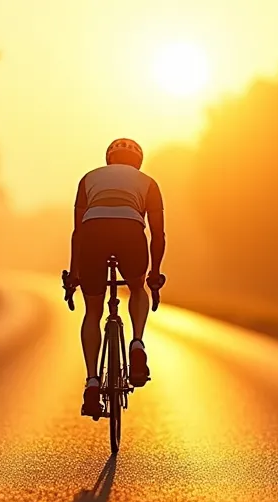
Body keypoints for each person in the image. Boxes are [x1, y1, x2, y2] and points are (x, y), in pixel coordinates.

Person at [67, 138, 167, 418]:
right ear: (138, 162)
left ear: (109, 159)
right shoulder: (148, 182)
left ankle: (91, 383)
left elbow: (78, 232)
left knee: (93, 310)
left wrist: (74, 274)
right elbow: (158, 234)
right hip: (130, 233)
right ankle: (136, 342)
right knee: (136, 288)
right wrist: (154, 274)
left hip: (93, 234)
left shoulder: (88, 178)